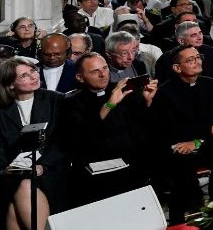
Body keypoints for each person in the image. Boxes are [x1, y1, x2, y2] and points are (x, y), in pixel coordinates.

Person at [151, 44, 213, 224]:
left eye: (198, 57)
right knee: (181, 180)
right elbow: (170, 129)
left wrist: (198, 140)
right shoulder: (164, 93)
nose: (197, 62)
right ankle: (180, 221)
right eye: (190, 60)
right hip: (178, 148)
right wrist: (208, 130)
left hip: (208, 144)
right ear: (177, 68)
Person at [60, 53, 158, 207]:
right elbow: (82, 137)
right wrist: (109, 104)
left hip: (131, 162)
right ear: (80, 77)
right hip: (95, 167)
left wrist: (148, 100)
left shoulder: (127, 92)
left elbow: (146, 127)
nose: (102, 74)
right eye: (94, 71)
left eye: (105, 68)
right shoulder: (71, 102)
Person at [0, 59, 66, 230]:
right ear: (10, 84)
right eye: (24, 76)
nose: (33, 76)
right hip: (12, 173)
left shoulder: (56, 100)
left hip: (48, 169)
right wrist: (4, 168)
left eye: (33, 71)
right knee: (18, 189)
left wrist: (42, 166)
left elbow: (62, 141)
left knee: (20, 195)